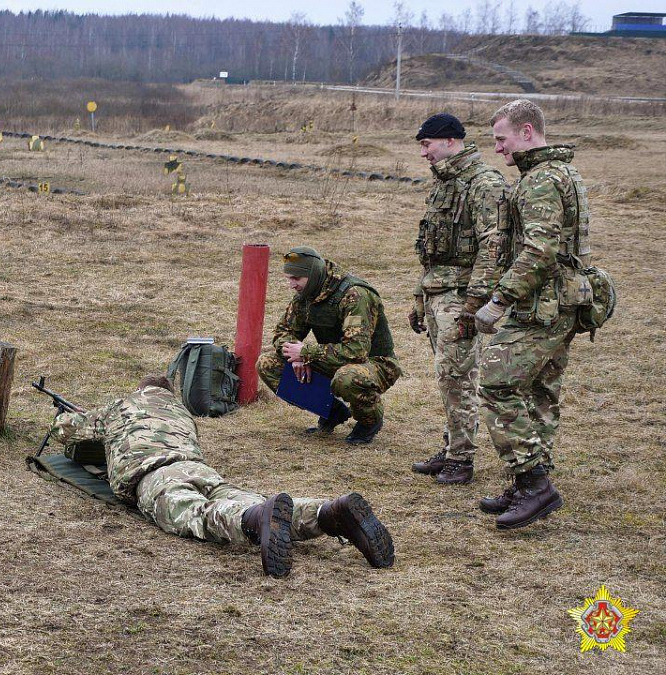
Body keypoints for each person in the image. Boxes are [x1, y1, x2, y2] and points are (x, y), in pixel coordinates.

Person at [50, 375, 394, 577]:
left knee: (195, 514)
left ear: (140, 391)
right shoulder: (182, 414)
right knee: (252, 500)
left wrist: (68, 416)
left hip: (153, 475)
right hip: (199, 469)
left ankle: (252, 520)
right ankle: (328, 512)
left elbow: (68, 432)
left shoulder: (120, 406)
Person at [472, 99, 588, 529]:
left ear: (526, 131)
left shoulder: (539, 180)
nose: (498, 149)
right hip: (565, 301)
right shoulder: (564, 171)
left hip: (541, 306)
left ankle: (534, 483)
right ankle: (527, 485)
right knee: (539, 390)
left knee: (498, 383)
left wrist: (499, 300)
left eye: (501, 139)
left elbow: (540, 250)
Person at [408, 113, 507, 485]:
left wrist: (474, 306)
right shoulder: (445, 184)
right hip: (439, 291)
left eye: (426, 144)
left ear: (450, 141)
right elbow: (432, 249)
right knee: (447, 376)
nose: (423, 153)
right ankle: (452, 446)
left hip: (462, 296)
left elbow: (492, 248)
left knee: (458, 376)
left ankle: (462, 458)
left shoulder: (484, 184)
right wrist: (420, 296)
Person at [256, 247, 402, 445]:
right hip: (335, 359)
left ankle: (370, 421)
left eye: (296, 278)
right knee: (268, 363)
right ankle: (332, 411)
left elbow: (356, 352)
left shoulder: (355, 295)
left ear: (312, 274)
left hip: (376, 363)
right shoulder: (306, 295)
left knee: (347, 378)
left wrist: (306, 353)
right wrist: (296, 354)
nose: (291, 285)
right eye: (289, 278)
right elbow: (283, 332)